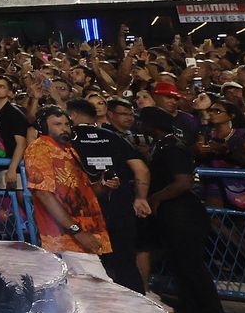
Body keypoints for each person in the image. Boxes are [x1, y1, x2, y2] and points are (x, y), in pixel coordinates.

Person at [135, 107, 230, 313]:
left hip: (184, 216)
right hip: (174, 216)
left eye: (142, 121)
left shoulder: (172, 148)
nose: (139, 125)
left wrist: (156, 197)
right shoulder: (163, 145)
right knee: (181, 268)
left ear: (152, 125)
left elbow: (183, 183)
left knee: (192, 268)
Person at [65, 97, 150, 290]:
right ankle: (138, 309)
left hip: (86, 210)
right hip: (120, 206)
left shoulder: (68, 140)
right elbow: (141, 169)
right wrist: (141, 198)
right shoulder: (113, 136)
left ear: (73, 115)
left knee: (93, 266)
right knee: (125, 263)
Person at [23, 104, 111, 256]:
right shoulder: (39, 149)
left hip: (84, 230)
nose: (64, 128)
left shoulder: (69, 150)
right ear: (43, 127)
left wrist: (104, 184)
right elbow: (43, 194)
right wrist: (77, 231)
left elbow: (84, 192)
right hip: (64, 236)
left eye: (66, 124)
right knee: (96, 279)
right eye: (57, 124)